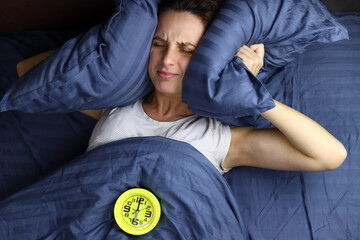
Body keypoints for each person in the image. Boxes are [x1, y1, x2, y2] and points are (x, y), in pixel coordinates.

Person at [17, 0, 347, 175]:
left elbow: (329, 155)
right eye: (158, 43)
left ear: (209, 57)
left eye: (187, 51)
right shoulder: (116, 104)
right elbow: (25, 70)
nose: (167, 60)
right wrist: (116, 46)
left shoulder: (221, 139)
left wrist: (256, 96)